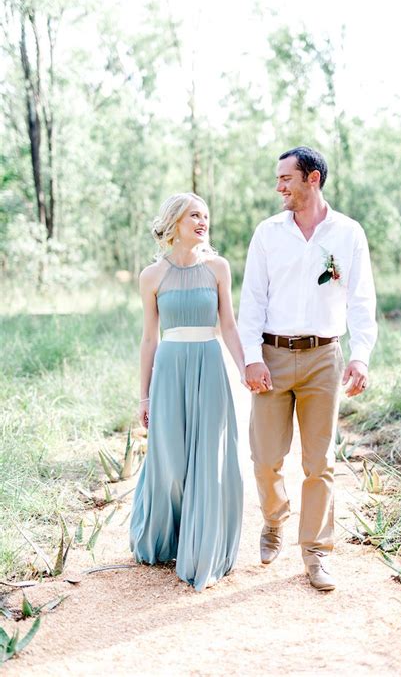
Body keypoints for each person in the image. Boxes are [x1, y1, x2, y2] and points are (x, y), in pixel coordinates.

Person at [238, 146, 377, 591]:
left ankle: (316, 552)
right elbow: (252, 299)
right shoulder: (268, 233)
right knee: (264, 459)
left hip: (323, 357)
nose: (279, 187)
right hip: (272, 356)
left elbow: (361, 298)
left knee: (320, 463)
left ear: (311, 178)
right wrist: (252, 356)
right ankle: (274, 521)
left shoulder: (348, 233)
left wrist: (361, 354)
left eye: (286, 178)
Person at [130, 192, 247, 591]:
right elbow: (149, 339)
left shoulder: (218, 268)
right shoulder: (152, 276)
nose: (202, 221)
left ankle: (201, 546)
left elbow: (228, 325)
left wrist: (245, 367)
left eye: (206, 216)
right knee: (171, 461)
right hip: (169, 370)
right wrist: (143, 396)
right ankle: (166, 535)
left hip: (209, 367)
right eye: (194, 215)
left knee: (207, 460)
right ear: (175, 222)